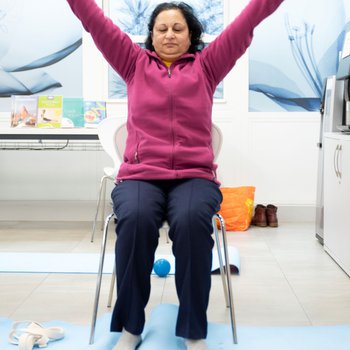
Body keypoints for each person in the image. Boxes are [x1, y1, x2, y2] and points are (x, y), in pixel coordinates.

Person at [66, 0, 284, 349]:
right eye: (161, 29)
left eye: (178, 28)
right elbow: (94, 21)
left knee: (193, 220)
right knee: (135, 220)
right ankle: (131, 327)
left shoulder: (208, 66)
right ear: (151, 36)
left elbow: (247, 22)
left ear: (191, 35)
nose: (169, 35)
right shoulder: (133, 63)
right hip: (140, 176)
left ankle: (193, 331)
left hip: (194, 176)